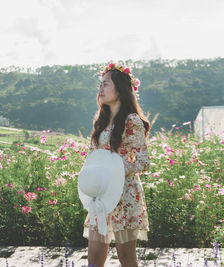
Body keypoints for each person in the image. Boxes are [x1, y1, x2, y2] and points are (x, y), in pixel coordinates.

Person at [84, 62, 151, 267]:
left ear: (120, 89)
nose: (100, 89)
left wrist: (113, 171)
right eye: (100, 85)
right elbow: (91, 156)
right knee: (94, 259)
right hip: (101, 195)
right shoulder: (101, 120)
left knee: (127, 259)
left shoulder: (131, 121)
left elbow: (143, 162)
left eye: (105, 84)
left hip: (125, 195)